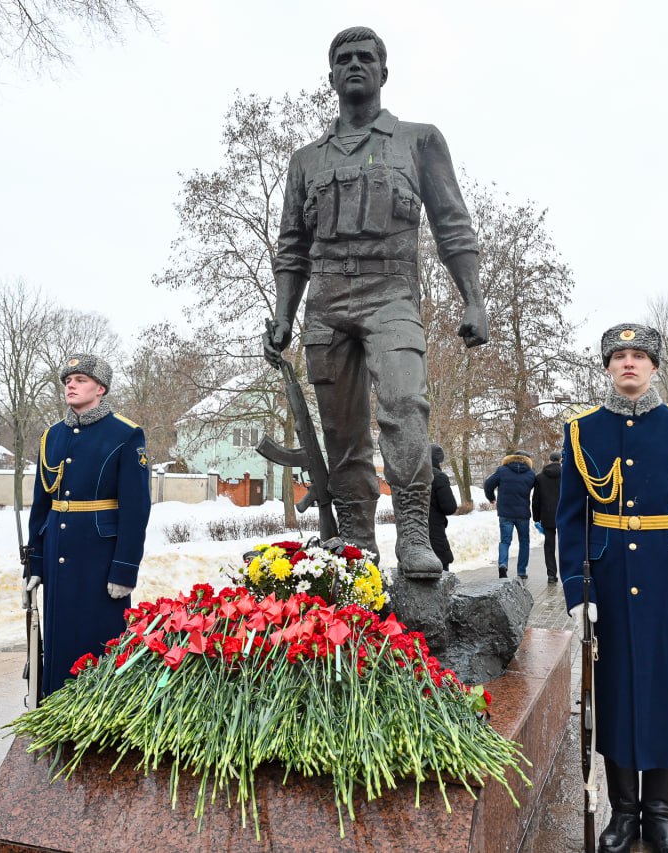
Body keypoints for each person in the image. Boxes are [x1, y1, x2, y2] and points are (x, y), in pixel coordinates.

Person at [263, 26, 489, 578]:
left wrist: (474, 300)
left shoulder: (418, 140)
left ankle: (413, 532)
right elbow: (292, 246)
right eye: (344, 58)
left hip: (392, 295)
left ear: (384, 72)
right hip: (326, 303)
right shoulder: (306, 160)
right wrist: (284, 314)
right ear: (331, 76)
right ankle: (357, 547)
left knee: (405, 405)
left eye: (366, 57)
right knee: (341, 431)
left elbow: (452, 225)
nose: (355, 64)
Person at [558, 324, 668, 853]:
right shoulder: (582, 431)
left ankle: (660, 815)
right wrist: (578, 590)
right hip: (608, 582)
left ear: (654, 366)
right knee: (616, 693)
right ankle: (624, 812)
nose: (629, 362)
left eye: (639, 355)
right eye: (619, 355)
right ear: (608, 366)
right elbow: (571, 519)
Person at [23, 354, 151, 697]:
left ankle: (99, 711)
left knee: (99, 641)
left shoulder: (125, 434)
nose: (71, 385)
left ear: (100, 388)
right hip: (57, 553)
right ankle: (54, 707)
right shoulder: (51, 436)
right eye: (68, 380)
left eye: (80, 379)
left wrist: (125, 569)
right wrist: (35, 563)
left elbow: (136, 509)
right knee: (59, 639)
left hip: (100, 557)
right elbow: (41, 505)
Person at [484, 450, 536, 580]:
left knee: (505, 541)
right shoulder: (531, 474)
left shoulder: (502, 470)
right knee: (524, 542)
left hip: (505, 513)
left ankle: (503, 564)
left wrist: (491, 498)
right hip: (523, 513)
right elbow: (538, 492)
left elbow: (488, 484)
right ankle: (521, 572)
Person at [532, 451, 562, 583]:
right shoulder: (567, 475)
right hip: (564, 515)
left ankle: (551, 575)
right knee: (565, 545)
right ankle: (567, 574)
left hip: (547, 515)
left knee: (549, 546)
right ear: (560, 460)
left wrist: (536, 518)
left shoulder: (540, 477)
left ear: (549, 460)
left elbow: (536, 500)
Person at [428, 443, 458, 571]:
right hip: (434, 532)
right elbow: (450, 507)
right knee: (441, 572)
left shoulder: (410, 475)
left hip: (412, 535)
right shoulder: (438, 477)